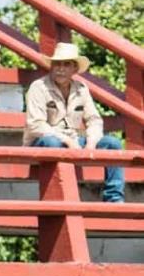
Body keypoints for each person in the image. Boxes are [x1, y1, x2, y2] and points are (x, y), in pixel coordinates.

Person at [24, 42, 124, 203]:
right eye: (57, 64)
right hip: (43, 141)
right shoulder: (38, 87)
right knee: (52, 143)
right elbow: (36, 125)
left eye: (66, 64)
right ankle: (56, 196)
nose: (60, 68)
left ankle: (114, 200)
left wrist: (91, 143)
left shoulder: (81, 89)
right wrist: (68, 140)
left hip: (75, 140)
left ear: (74, 69)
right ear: (51, 66)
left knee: (112, 143)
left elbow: (94, 120)